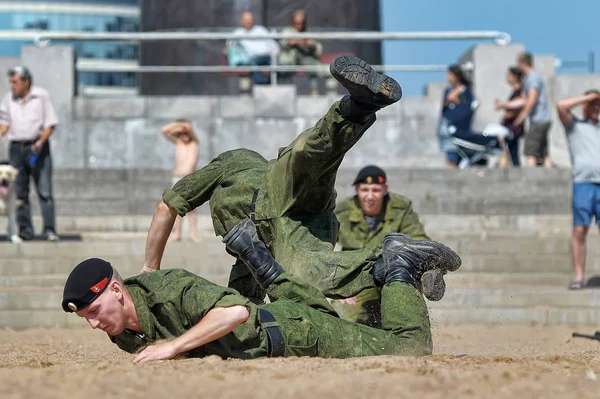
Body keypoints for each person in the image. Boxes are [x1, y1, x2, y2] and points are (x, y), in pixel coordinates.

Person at [141, 55, 460, 313]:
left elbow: (167, 206)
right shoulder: (247, 257)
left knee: (307, 155)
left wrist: (149, 267)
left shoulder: (232, 163)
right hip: (298, 229)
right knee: (317, 275)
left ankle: (358, 105)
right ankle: (406, 263)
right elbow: (242, 304)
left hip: (273, 191)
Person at [62, 218, 462, 362]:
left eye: (94, 312)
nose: (94, 324)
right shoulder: (124, 332)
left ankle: (399, 265)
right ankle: (255, 254)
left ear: (115, 290)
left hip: (295, 334)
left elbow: (234, 313)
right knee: (304, 302)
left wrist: (171, 347)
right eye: (86, 319)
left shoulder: (165, 289)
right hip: (283, 318)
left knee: (408, 347)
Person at [331, 165, 429, 327]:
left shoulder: (400, 209)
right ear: (357, 189)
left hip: (396, 276)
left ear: (385, 190)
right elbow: (322, 249)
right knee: (342, 319)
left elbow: (419, 241)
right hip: (358, 280)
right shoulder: (342, 212)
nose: (370, 196)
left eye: (375, 190)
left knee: (411, 325)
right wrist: (336, 288)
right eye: (365, 190)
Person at [0, 65, 59, 241]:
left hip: (38, 147)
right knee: (19, 191)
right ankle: (25, 230)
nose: (12, 85)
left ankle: (49, 229)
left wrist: (41, 142)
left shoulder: (41, 96)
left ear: (27, 82)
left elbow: (50, 123)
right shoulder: (8, 99)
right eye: (10, 82)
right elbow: (4, 124)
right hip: (17, 148)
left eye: (15, 82)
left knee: (44, 190)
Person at [556, 90, 600, 290]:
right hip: (583, 184)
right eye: (592, 103)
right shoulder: (575, 126)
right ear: (584, 105)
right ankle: (579, 277)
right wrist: (588, 97)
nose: (595, 107)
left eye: (598, 104)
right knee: (579, 231)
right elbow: (561, 106)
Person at [161, 119, 200, 243]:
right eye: (181, 134)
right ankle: (177, 233)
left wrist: (183, 127)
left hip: (189, 178)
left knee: (192, 208)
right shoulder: (179, 143)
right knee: (176, 208)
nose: (184, 135)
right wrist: (177, 127)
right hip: (177, 178)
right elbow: (164, 130)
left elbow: (188, 126)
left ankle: (193, 233)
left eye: (186, 133)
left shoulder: (194, 143)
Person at [514, 52, 553, 168]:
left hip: (538, 120)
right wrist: (504, 105)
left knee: (530, 151)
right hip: (543, 119)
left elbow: (531, 99)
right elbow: (524, 100)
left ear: (522, 63)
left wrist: (521, 117)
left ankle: (531, 179)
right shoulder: (530, 78)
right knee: (543, 152)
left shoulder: (532, 77)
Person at [277, 10, 322, 96]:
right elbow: (282, 43)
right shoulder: (287, 31)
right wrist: (292, 42)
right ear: (292, 22)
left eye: (301, 23)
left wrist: (311, 45)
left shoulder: (306, 33)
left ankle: (314, 91)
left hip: (304, 56)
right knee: (286, 69)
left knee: (312, 66)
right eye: (296, 23)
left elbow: (318, 48)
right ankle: (284, 93)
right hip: (289, 57)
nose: (299, 25)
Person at [227, 11, 279, 85]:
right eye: (246, 20)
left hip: (267, 56)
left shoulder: (260, 29)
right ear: (242, 21)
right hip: (253, 58)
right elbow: (230, 46)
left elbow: (271, 42)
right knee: (253, 64)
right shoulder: (237, 33)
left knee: (277, 64)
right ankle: (260, 86)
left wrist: (276, 52)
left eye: (250, 20)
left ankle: (270, 85)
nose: (248, 22)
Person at [494, 66, 525, 166]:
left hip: (514, 128)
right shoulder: (515, 91)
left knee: (513, 153)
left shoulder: (519, 92)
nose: (507, 78)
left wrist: (507, 115)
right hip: (510, 127)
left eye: (509, 75)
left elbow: (519, 108)